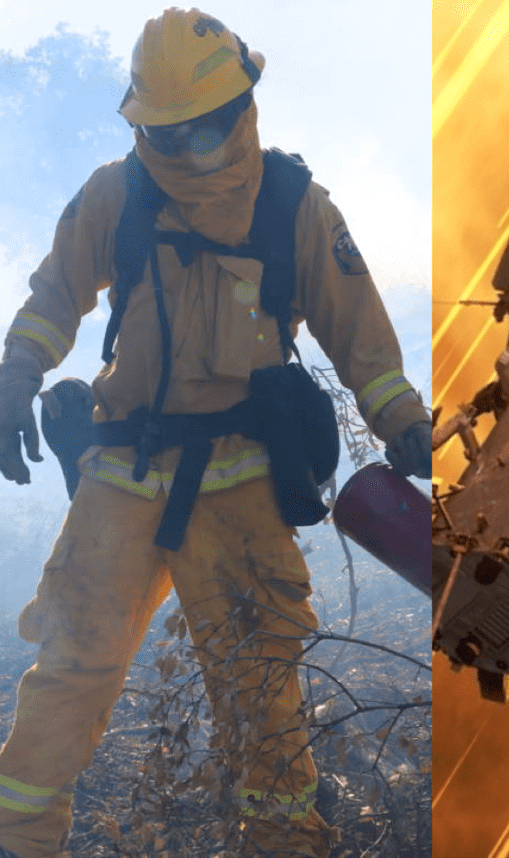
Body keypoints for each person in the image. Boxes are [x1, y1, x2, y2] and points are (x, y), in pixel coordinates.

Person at [0, 8, 432, 857]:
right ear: (144, 125)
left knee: (259, 694)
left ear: (244, 105)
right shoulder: (115, 194)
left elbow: (362, 335)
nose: (191, 146)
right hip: (120, 476)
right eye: (172, 131)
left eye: (206, 125)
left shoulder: (294, 205)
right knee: (69, 673)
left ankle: (280, 845)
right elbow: (57, 292)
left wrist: (404, 420)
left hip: (239, 484)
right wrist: (16, 374)